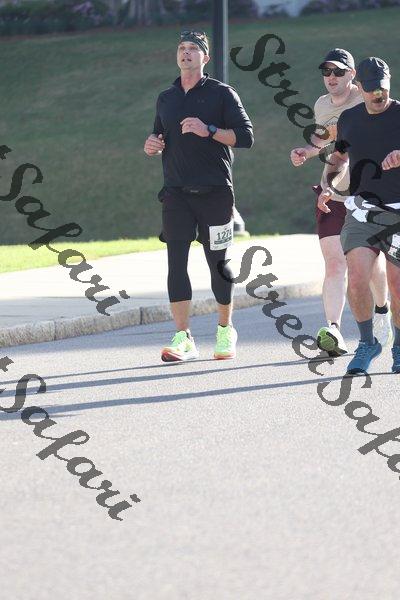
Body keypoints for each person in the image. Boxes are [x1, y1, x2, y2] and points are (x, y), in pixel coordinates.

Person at [144, 30, 253, 362]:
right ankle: (183, 337)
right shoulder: (166, 97)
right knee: (176, 263)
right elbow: (158, 134)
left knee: (218, 264)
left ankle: (225, 329)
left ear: (205, 57)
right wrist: (152, 144)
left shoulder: (222, 94)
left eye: (193, 48)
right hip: (175, 193)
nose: (186, 52)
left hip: (215, 192)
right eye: (182, 48)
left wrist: (209, 130)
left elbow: (245, 137)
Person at [290, 48, 391, 357]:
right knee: (335, 263)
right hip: (332, 193)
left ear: (353, 76)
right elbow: (328, 139)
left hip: (366, 196)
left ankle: (382, 310)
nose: (331, 77)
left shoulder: (367, 100)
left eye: (338, 71)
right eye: (326, 71)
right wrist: (308, 151)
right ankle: (333, 329)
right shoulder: (322, 104)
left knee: (370, 267)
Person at [318, 56, 400, 374]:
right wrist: (328, 185)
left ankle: (398, 346)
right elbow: (339, 157)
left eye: (382, 88)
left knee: (396, 284)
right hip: (362, 210)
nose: (378, 94)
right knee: (356, 279)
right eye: (371, 88)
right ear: (360, 87)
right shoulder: (350, 119)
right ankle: (367, 343)